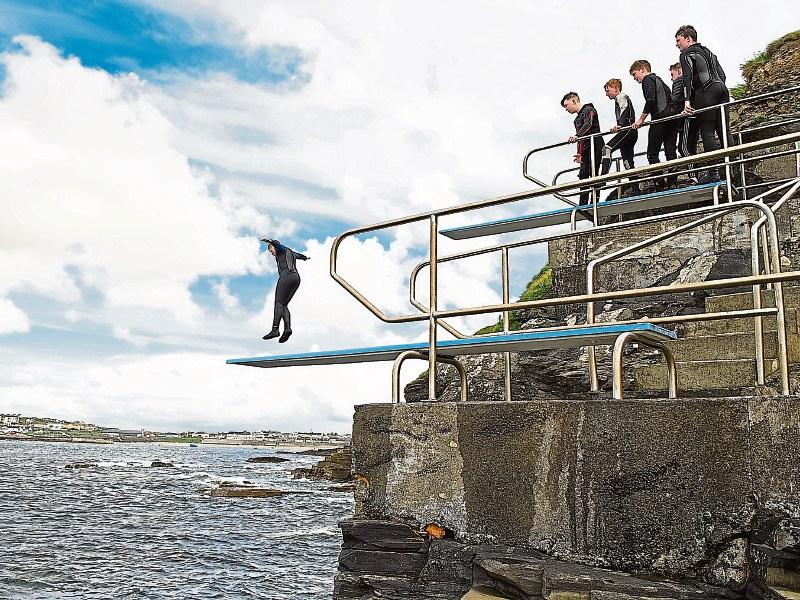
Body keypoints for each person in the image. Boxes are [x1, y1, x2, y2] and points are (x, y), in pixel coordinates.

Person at [676, 24, 729, 183]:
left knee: (707, 131)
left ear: (688, 38)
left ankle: (714, 172)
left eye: (679, 40)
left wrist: (687, 101)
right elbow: (722, 75)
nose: (677, 44)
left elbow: (687, 78)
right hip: (722, 89)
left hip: (706, 92)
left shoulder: (686, 54)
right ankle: (731, 168)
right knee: (724, 131)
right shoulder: (710, 53)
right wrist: (717, 87)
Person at [630, 59, 679, 190]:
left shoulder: (647, 80)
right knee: (670, 151)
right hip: (673, 119)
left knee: (652, 153)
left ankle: (659, 182)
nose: (635, 78)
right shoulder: (660, 81)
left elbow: (650, 100)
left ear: (642, 69)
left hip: (660, 119)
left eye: (635, 74)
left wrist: (641, 119)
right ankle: (673, 182)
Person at [261, 238, 309, 343]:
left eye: (271, 251)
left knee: (278, 303)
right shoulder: (291, 252)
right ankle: (287, 329)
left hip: (286, 276)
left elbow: (278, 246)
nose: (272, 254)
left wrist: (270, 241)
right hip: (296, 278)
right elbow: (299, 255)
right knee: (283, 305)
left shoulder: (281, 249)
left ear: (273, 247)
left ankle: (275, 329)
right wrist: (305, 257)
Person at [561, 91, 604, 205]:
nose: (566, 109)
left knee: (594, 174)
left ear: (574, 101)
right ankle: (583, 203)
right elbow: (580, 138)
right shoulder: (576, 120)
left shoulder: (589, 109)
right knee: (583, 174)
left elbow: (588, 124)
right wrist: (579, 153)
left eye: (566, 105)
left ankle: (595, 201)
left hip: (596, 144)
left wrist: (577, 135)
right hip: (585, 147)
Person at [600, 79, 638, 189]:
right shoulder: (618, 99)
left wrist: (620, 125)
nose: (606, 94)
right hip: (630, 131)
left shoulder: (621, 96)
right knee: (627, 162)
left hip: (627, 130)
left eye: (608, 90)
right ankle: (636, 189)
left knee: (606, 149)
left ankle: (602, 179)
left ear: (616, 89)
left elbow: (625, 109)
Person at [669, 62, 698, 184]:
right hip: (694, 116)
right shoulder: (690, 81)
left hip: (687, 117)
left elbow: (675, 99)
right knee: (691, 147)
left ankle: (693, 176)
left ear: (679, 71)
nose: (671, 78)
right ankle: (695, 175)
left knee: (683, 147)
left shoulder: (679, 81)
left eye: (672, 74)